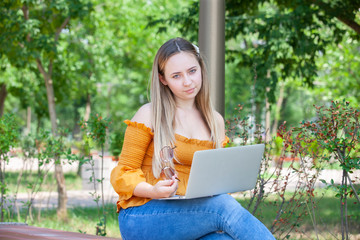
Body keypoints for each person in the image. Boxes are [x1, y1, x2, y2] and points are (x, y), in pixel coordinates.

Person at [110, 37, 275, 240]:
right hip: (143, 215)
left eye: (192, 71)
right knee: (222, 206)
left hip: (190, 215)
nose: (187, 81)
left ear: (201, 69)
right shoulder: (149, 113)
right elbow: (123, 172)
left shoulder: (215, 121)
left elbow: (215, 179)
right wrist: (152, 190)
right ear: (163, 79)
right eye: (176, 76)